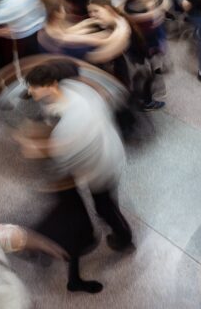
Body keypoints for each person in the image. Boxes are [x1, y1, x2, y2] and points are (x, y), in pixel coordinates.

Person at [23, 63, 135, 292]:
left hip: (101, 169)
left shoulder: (71, 126)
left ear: (52, 85)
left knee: (105, 207)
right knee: (101, 206)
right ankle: (120, 236)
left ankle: (124, 238)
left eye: (35, 89)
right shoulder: (75, 89)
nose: (31, 94)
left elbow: (62, 166)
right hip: (103, 156)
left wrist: (35, 148)